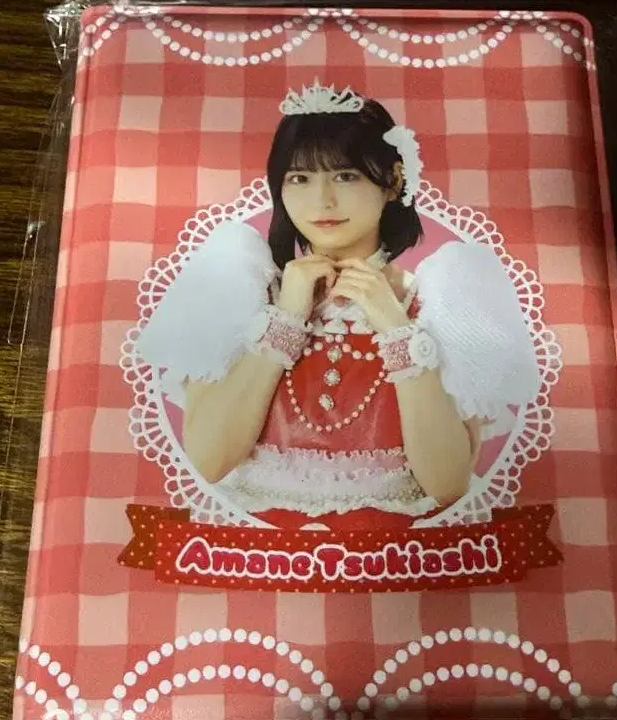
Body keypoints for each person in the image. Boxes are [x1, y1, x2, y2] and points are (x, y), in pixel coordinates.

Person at [134, 80, 540, 532]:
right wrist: (285, 319)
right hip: (258, 552)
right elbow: (208, 462)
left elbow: (447, 484)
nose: (322, 201)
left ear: (393, 182)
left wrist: (396, 327)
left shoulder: (440, 298)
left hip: (393, 554)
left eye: (346, 175)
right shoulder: (243, 291)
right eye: (299, 178)